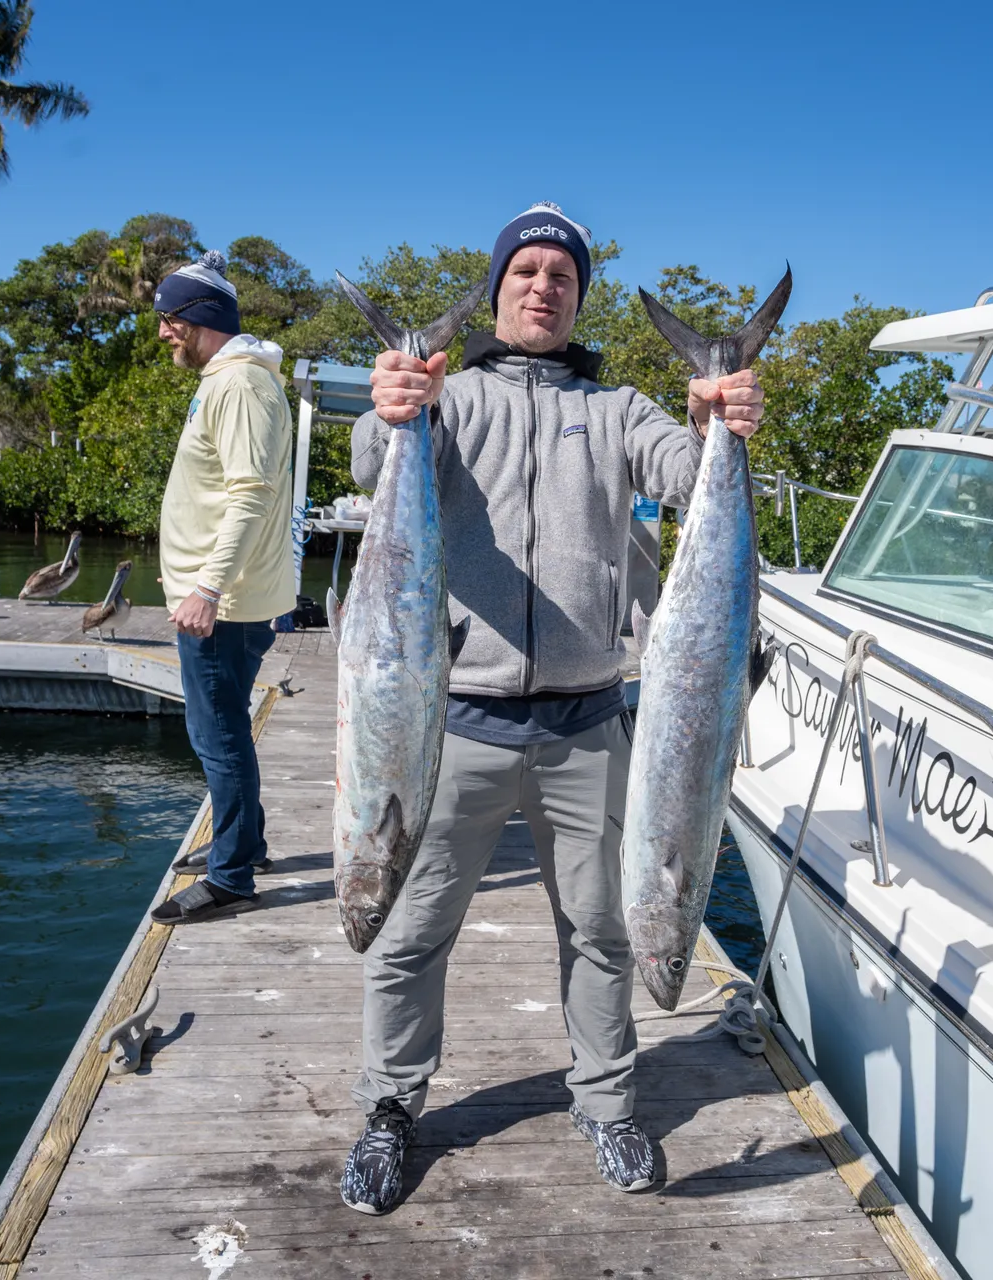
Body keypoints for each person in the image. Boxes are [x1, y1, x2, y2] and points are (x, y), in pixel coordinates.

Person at [338, 203, 764, 1213]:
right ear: (497, 289)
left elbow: (682, 464)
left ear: (578, 297)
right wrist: (393, 402)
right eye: (524, 270)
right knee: (406, 929)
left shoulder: (618, 407)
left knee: (605, 928)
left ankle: (608, 1101)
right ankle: (390, 1107)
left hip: (588, 721)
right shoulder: (453, 395)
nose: (542, 285)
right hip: (455, 722)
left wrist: (717, 412)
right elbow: (368, 461)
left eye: (561, 275)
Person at [148, 251, 298, 926]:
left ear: (199, 317)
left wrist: (205, 588)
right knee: (226, 727)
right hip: (225, 599)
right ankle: (248, 842)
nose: (161, 333)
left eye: (168, 318)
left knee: (219, 737)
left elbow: (250, 493)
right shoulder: (232, 379)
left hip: (224, 605)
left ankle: (232, 877)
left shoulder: (239, 386)